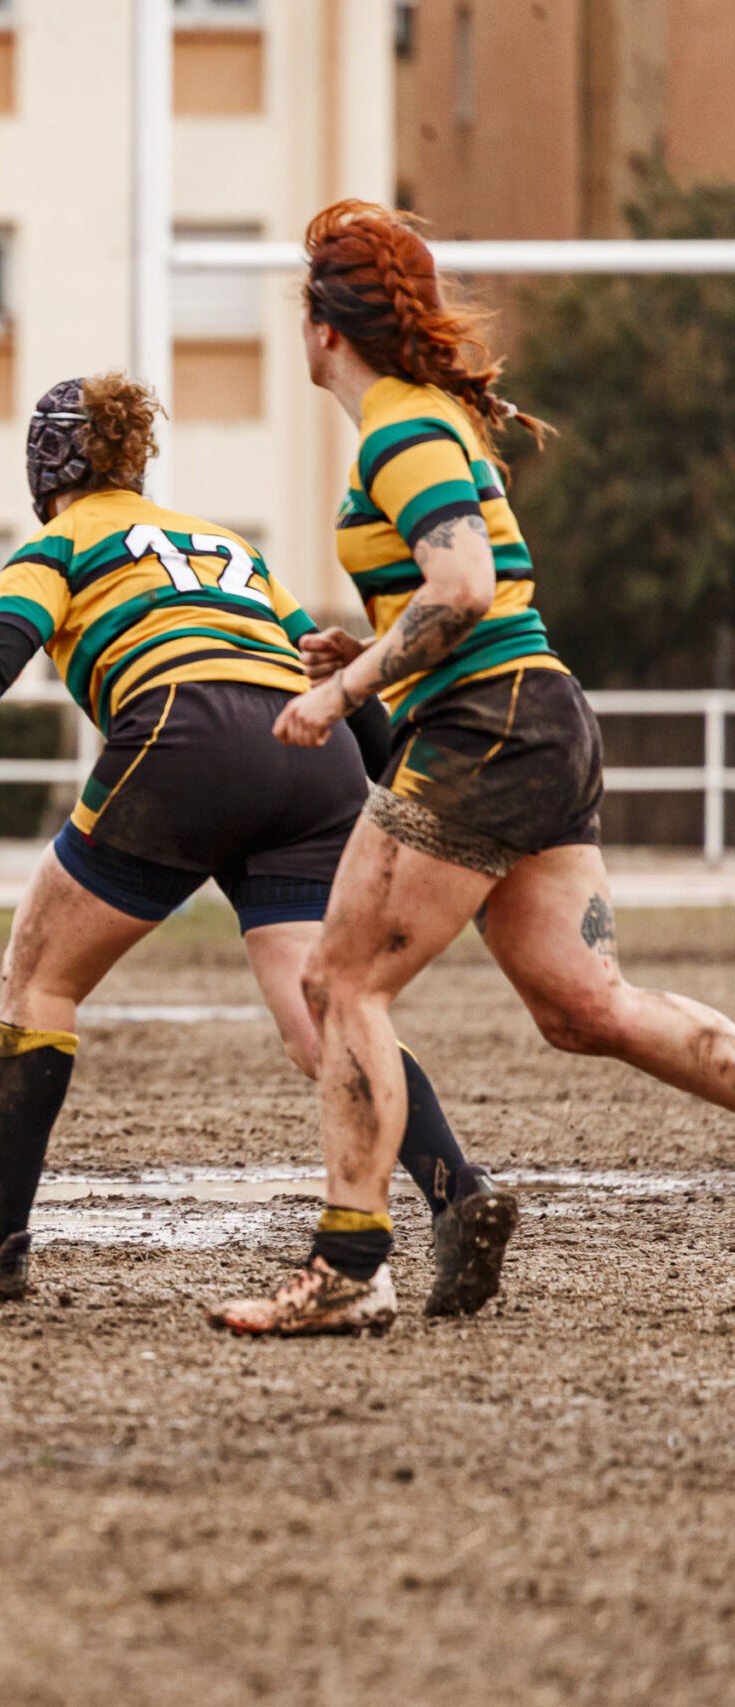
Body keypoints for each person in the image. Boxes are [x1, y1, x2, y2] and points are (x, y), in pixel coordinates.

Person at [0, 372, 509, 1316]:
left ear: (45, 463)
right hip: (314, 755)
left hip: (188, 735)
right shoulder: (230, 548)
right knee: (326, 1018)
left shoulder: (60, 541)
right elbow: (334, 679)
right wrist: (407, 799)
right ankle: (457, 1189)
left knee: (39, 973)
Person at [208, 203, 735, 1334]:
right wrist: (372, 653)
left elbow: (461, 591)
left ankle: (346, 1270)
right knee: (586, 1008)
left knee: (339, 983)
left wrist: (343, 692)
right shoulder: (431, 419)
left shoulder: (398, 430)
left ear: (320, 329)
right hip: (534, 713)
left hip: (487, 726)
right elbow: (452, 596)